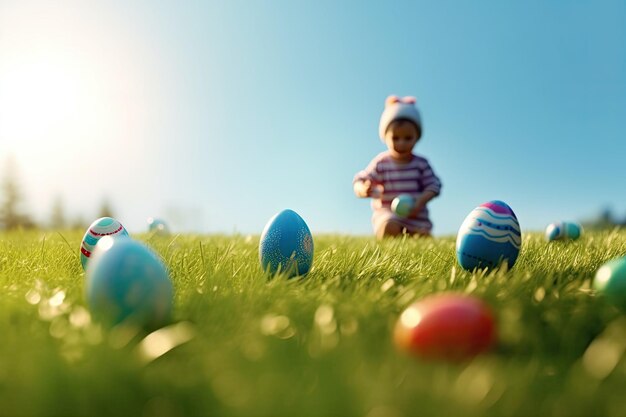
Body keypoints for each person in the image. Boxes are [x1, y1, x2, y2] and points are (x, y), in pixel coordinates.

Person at [353, 95, 442, 239]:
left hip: (416, 218)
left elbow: (434, 186)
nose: (401, 143)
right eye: (395, 138)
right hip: (389, 215)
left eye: (408, 138)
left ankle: (417, 235)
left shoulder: (421, 164)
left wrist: (420, 202)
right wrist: (362, 189)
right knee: (389, 226)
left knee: (423, 239)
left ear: (417, 137)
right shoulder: (381, 162)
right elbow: (361, 178)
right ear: (385, 137)